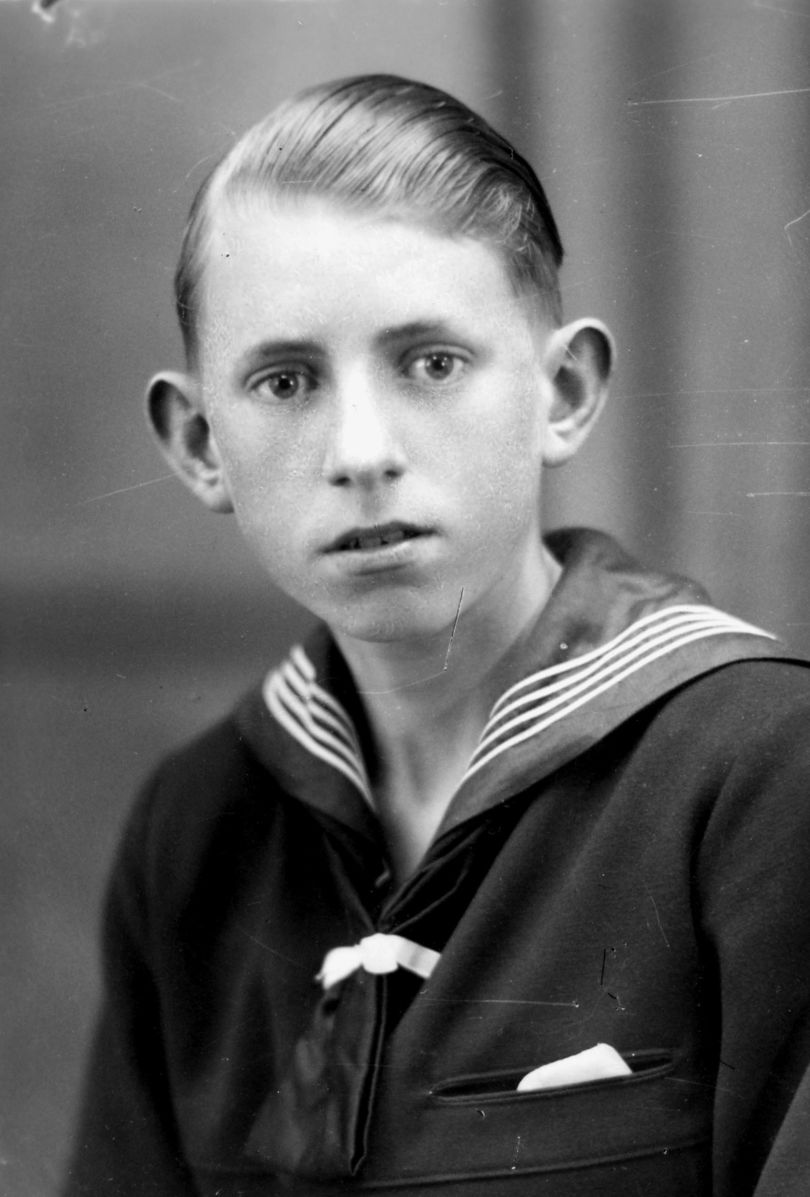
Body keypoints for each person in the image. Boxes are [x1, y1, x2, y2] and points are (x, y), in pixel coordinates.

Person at [64, 74, 810, 1196]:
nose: (362, 451)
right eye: (285, 381)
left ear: (563, 392)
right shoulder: (196, 829)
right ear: (200, 443)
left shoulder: (759, 770)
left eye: (431, 363)